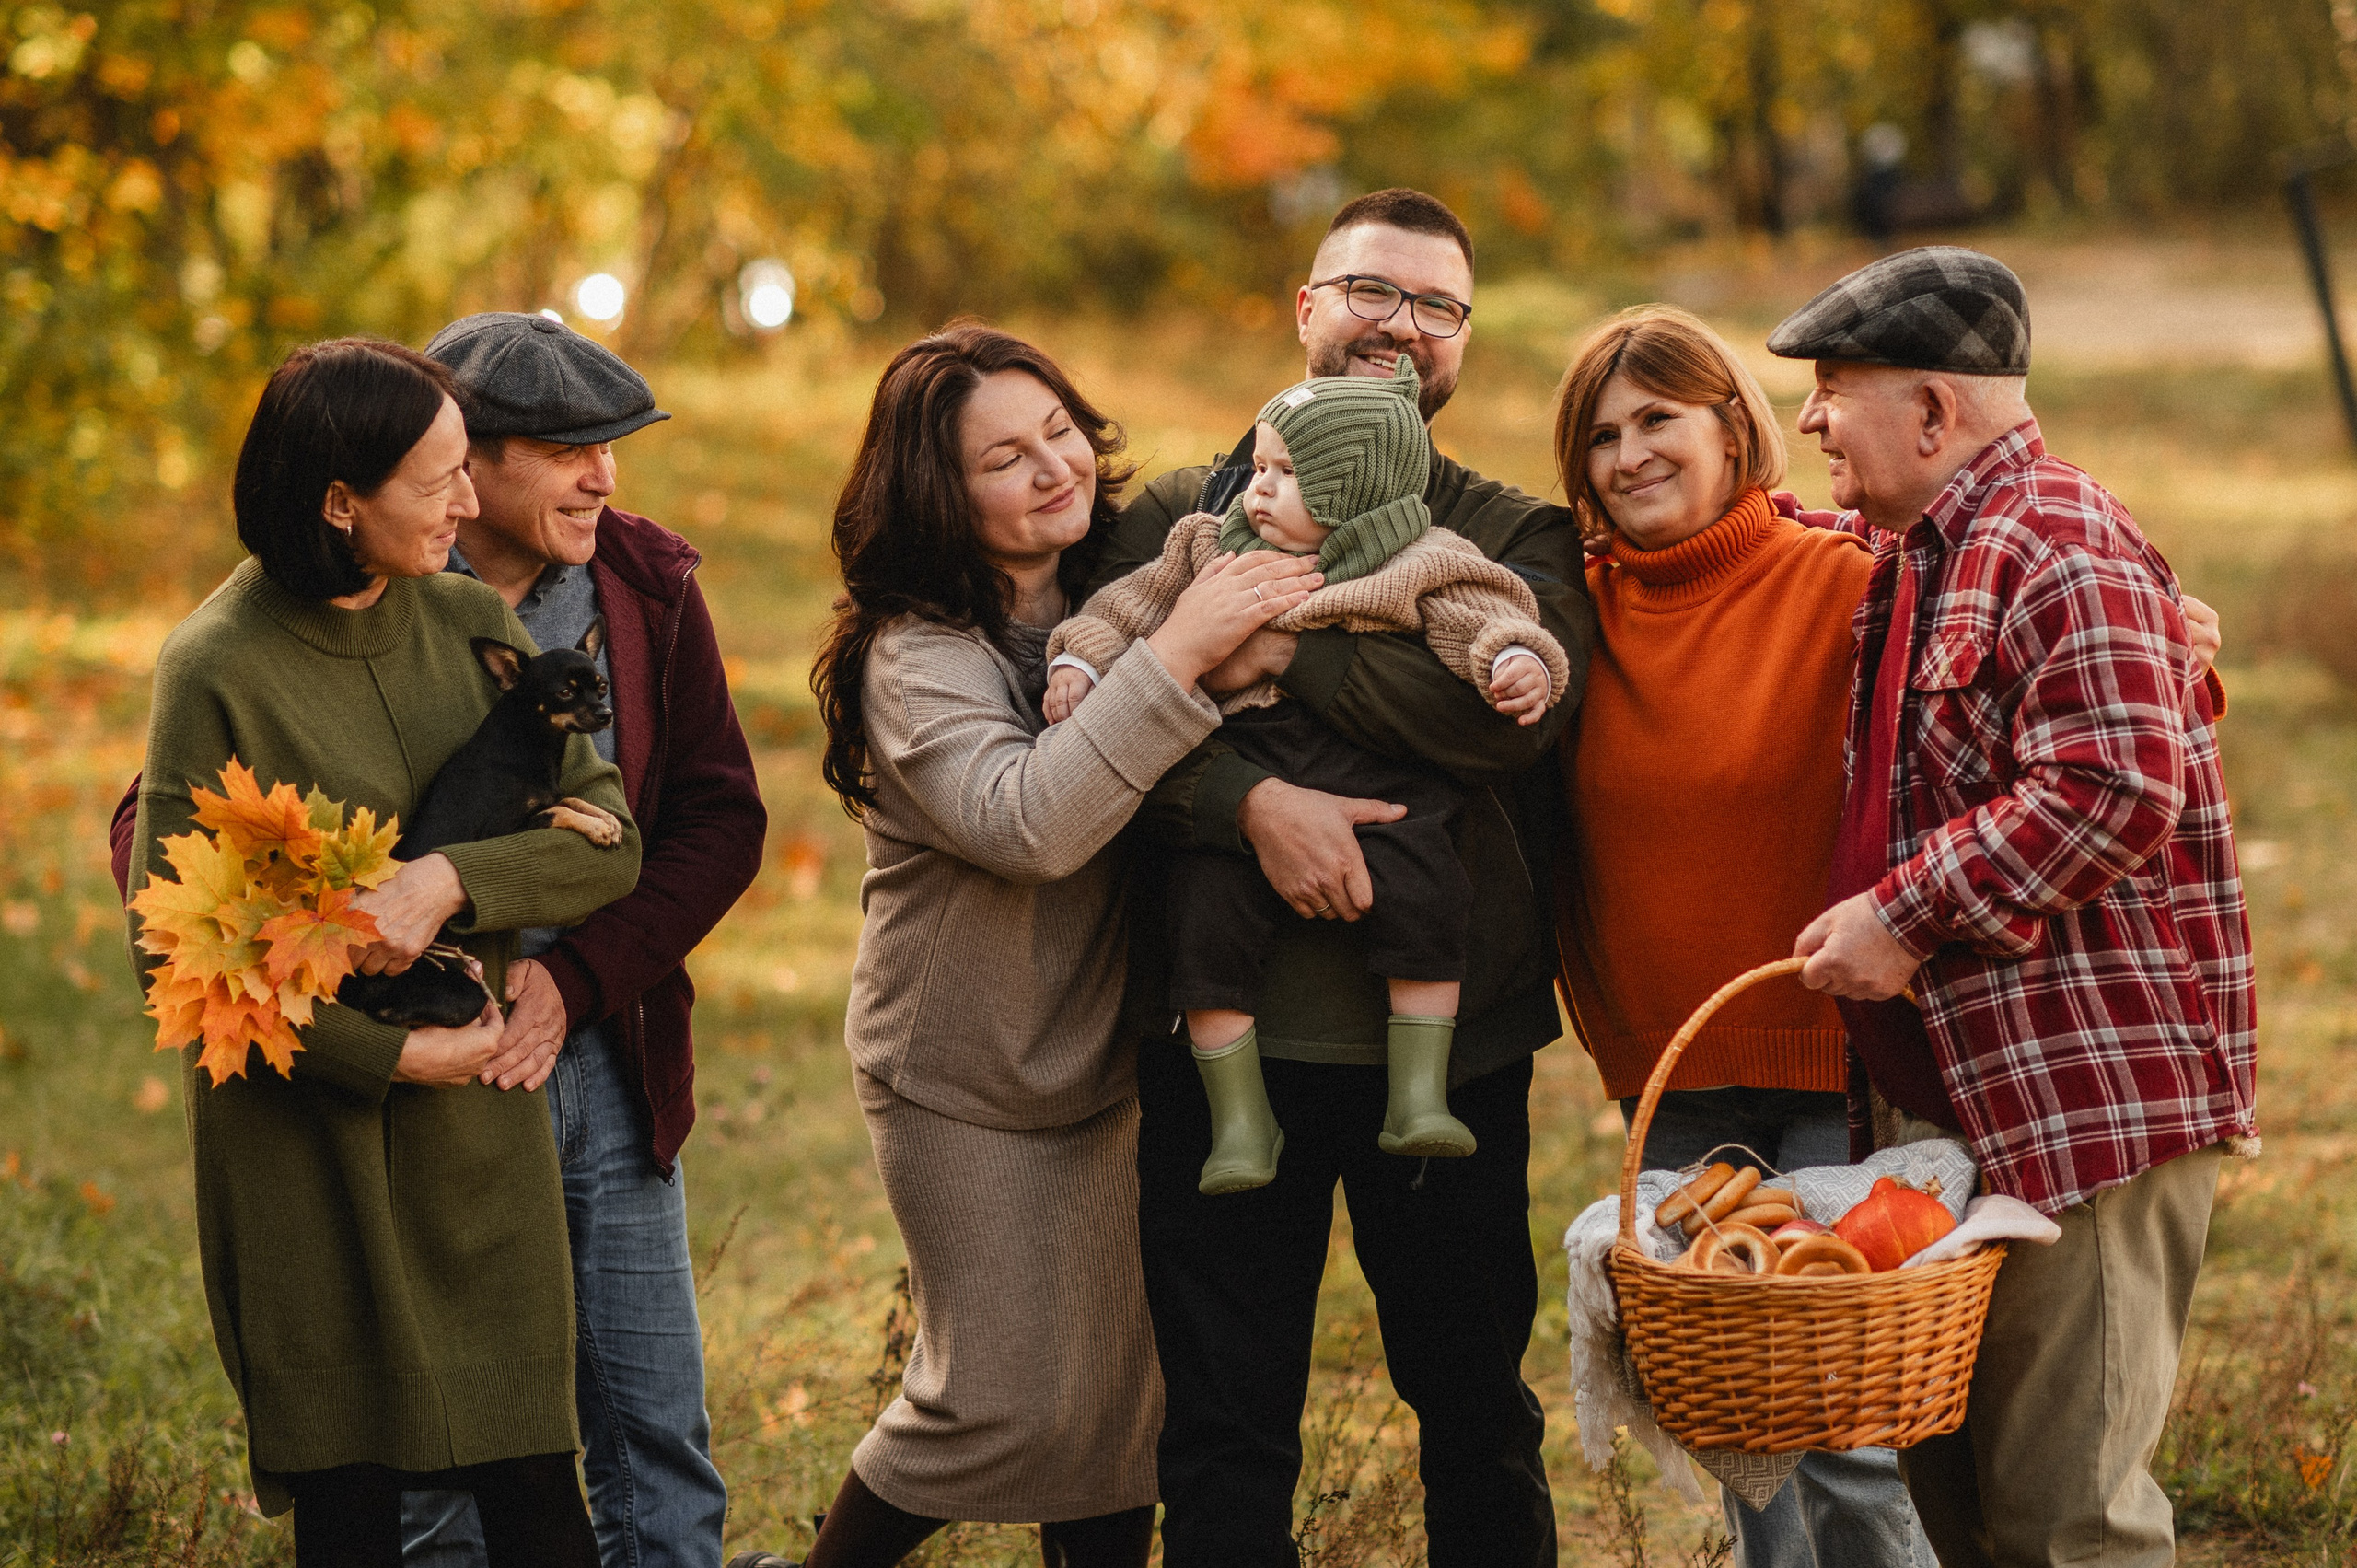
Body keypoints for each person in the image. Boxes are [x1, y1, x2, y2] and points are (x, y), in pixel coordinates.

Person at [110, 315, 767, 1568]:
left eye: (471, 466)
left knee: (538, 1496)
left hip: (479, 1144)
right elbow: (180, 957)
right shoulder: (213, 664)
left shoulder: (471, 619)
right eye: (440, 479)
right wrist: (387, 1058)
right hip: (312, 1156)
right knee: (358, 1515)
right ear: (341, 501)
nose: (464, 502)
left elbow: (609, 838)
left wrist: (444, 880)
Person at [730, 321, 1318, 1568]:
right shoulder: (916, 653)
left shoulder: (1121, 586)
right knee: (992, 1394)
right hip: (962, 1071)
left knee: (1111, 1411)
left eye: (1059, 432)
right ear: (939, 493)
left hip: (1108, 1058)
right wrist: (1183, 651)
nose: (1053, 466)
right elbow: (1030, 820)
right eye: (1005, 456)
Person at [1104, 189, 1594, 1567]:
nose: (1404, 325)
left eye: (1440, 305)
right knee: (1222, 1418)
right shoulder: (1174, 518)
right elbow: (1089, 735)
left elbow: (1491, 723)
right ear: (1306, 307)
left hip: (1449, 1046)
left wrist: (1240, 641)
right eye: (1374, 290)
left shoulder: (1513, 536)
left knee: (1473, 1411)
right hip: (1217, 1042)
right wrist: (1246, 798)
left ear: (1462, 346)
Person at [1775, 247, 2257, 1568]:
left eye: (1832, 388)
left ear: (1934, 411)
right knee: (1968, 1505)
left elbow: (2115, 782)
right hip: (1963, 1105)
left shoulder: (2053, 535)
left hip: (2074, 1116)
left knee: (2066, 1520)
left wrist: (1905, 916)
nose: (1809, 417)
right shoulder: (1926, 548)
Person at [1550, 304, 1933, 1568]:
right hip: (1669, 1070)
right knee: (1742, 1423)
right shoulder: (1566, 616)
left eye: (1656, 417)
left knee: (1845, 1425)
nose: (1629, 454)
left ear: (1729, 425)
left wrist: (2185, 647)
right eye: (1601, 435)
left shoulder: (1845, 575)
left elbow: (2014, 658)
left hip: (1837, 1053)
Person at [1045, 354, 1568, 1193]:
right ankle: (1241, 1119)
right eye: (1258, 466)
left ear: (1352, 492)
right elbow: (1126, 609)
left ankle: (1419, 1094)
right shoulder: (1206, 541)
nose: (1256, 490)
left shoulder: (1421, 555)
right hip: (1249, 748)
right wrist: (1083, 665)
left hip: (1379, 774)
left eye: (1286, 474)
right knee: (1205, 916)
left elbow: (1485, 612)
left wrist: (1516, 659)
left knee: (1431, 890)